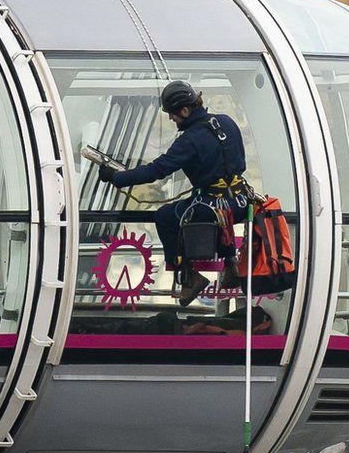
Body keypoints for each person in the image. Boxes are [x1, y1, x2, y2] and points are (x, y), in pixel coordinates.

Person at [99, 80, 252, 307]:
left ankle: (190, 277)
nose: (171, 119)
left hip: (214, 207)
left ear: (185, 110)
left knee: (165, 216)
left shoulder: (189, 140)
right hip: (242, 201)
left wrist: (116, 177)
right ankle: (231, 264)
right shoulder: (226, 122)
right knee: (215, 210)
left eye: (172, 114)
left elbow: (156, 170)